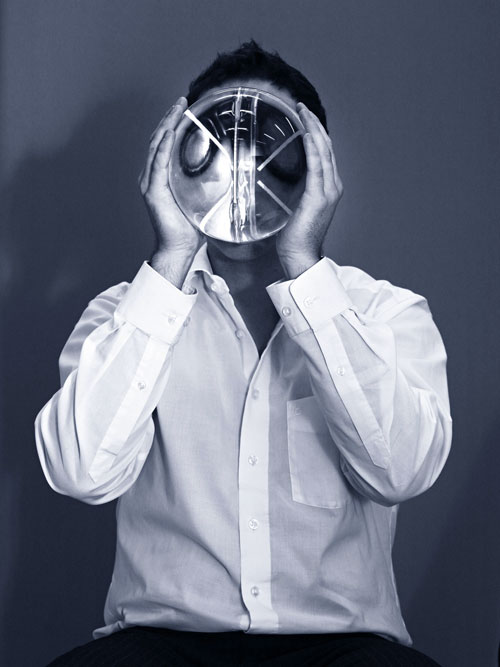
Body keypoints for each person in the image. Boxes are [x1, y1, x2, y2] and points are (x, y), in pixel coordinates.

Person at [35, 41, 452, 666]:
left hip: (342, 647)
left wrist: (304, 268)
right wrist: (171, 257)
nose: (242, 177)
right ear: (175, 159)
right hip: (160, 644)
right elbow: (80, 473)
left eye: (271, 151)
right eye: (214, 150)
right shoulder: (126, 312)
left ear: (316, 169)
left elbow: (401, 473)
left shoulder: (385, 313)